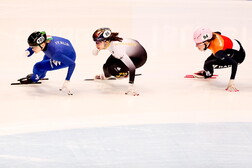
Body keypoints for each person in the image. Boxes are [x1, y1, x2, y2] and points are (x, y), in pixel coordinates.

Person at [92, 27, 147, 96]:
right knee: (106, 66)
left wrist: (131, 86)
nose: (96, 44)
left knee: (112, 69)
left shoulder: (117, 50)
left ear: (106, 42)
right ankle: (106, 75)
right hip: (129, 51)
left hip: (138, 58)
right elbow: (134, 41)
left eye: (98, 42)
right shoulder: (109, 41)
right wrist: (98, 49)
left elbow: (132, 67)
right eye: (95, 42)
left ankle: (124, 73)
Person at [193, 27, 245, 92]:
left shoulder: (218, 52)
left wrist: (231, 82)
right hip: (233, 47)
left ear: (206, 43)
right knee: (207, 62)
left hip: (238, 57)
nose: (196, 46)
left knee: (208, 64)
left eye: (198, 44)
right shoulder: (212, 35)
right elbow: (219, 32)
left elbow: (234, 63)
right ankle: (208, 71)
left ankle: (208, 73)